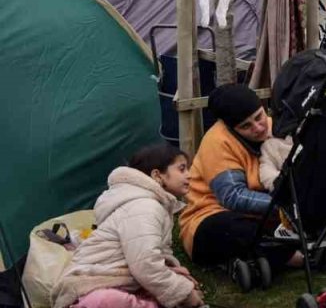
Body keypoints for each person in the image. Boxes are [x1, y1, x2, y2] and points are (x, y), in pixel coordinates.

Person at [53, 145, 202, 308]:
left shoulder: (153, 205)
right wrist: (184, 294)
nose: (189, 175)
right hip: (88, 286)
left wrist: (174, 273)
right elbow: (146, 265)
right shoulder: (143, 207)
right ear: (157, 175)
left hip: (123, 280)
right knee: (105, 300)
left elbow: (153, 254)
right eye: (182, 169)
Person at [179, 85, 303, 276]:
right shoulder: (217, 142)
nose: (258, 127)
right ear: (231, 127)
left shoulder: (274, 126)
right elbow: (232, 197)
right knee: (235, 228)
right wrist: (286, 204)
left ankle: (269, 256)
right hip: (211, 217)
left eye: (259, 116)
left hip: (265, 215)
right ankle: (295, 257)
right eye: (246, 126)